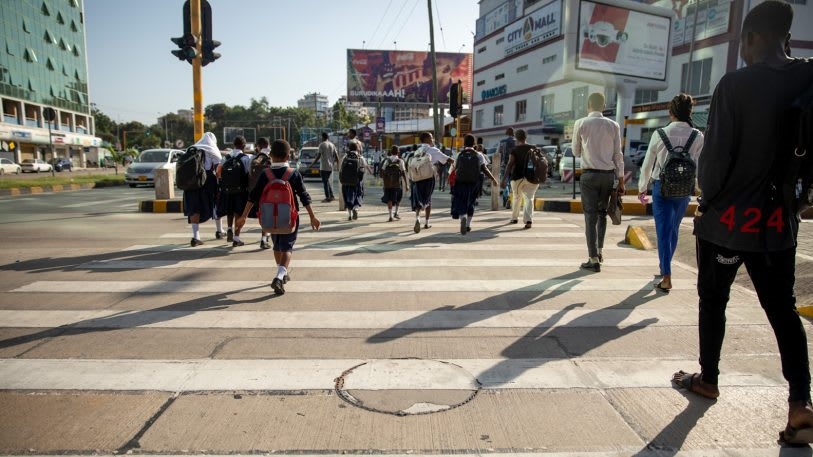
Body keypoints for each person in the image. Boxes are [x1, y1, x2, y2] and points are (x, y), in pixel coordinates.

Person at [671, 1, 813, 444]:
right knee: (783, 311)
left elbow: (714, 163)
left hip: (728, 222)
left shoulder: (735, 85)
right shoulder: (809, 78)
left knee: (713, 300)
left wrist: (705, 199)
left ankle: (708, 378)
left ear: (751, 38)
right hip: (778, 225)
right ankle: (800, 405)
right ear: (787, 38)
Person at [236, 139, 320, 295]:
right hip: (289, 217)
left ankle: (281, 272)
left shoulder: (265, 174)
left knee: (276, 246)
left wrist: (243, 216)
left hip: (269, 217)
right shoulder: (293, 173)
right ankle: (280, 276)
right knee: (287, 247)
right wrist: (312, 216)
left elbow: (252, 196)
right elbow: (304, 196)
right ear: (288, 156)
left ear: (271, 156)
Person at [638, 94, 704, 291]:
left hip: (662, 188)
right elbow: (701, 165)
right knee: (673, 230)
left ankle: (666, 275)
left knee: (663, 231)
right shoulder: (698, 136)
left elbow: (648, 164)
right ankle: (664, 266)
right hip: (684, 189)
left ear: (671, 112)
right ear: (689, 112)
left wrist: (642, 189)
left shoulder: (660, 134)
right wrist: (702, 188)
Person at [572, 92, 625, 272]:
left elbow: (576, 152)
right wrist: (621, 179)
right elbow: (618, 155)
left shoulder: (580, 123)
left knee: (590, 216)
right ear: (603, 107)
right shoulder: (614, 125)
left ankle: (592, 258)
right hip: (608, 176)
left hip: (589, 176)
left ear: (588, 105)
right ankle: (600, 252)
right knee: (602, 214)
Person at [452, 134, 498, 235]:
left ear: (464, 143)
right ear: (474, 143)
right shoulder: (479, 155)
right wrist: (493, 179)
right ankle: (468, 225)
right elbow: (484, 168)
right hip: (474, 182)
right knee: (471, 202)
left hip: (461, 182)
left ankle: (462, 217)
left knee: (461, 201)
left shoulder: (459, 154)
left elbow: (454, 169)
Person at [183, 132, 223, 247]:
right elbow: (217, 168)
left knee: (194, 208)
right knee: (215, 204)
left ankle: (196, 237)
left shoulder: (191, 149)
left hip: (191, 183)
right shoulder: (212, 150)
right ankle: (219, 231)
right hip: (207, 181)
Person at [409, 131, 453, 233]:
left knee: (419, 199)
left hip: (417, 178)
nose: (432, 139)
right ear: (427, 139)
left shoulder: (418, 150)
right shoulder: (433, 150)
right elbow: (446, 159)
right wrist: (455, 162)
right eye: (431, 138)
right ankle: (427, 223)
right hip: (429, 178)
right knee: (428, 199)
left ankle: (417, 218)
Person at [216, 135, 254, 247]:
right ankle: (236, 238)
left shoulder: (226, 157)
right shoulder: (245, 158)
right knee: (238, 212)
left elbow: (218, 173)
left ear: (234, 145)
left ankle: (228, 229)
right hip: (240, 190)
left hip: (226, 190)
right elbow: (249, 174)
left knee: (230, 211)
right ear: (243, 146)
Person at [502, 129, 541, 229]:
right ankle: (528, 220)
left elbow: (510, 164)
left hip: (517, 178)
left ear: (516, 138)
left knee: (516, 197)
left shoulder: (515, 150)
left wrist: (504, 179)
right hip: (532, 178)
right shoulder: (534, 148)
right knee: (529, 198)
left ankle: (514, 218)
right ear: (526, 137)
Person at [340, 142, 372, 221]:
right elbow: (365, 167)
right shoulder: (360, 157)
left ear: (349, 148)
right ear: (357, 148)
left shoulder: (345, 157)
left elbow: (341, 169)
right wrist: (371, 172)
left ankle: (350, 215)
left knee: (348, 197)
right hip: (357, 181)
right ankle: (356, 208)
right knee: (358, 195)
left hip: (346, 181)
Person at [380, 145, 408, 222]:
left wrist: (385, 182)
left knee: (389, 199)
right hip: (397, 184)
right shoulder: (400, 161)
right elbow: (403, 173)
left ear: (391, 152)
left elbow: (382, 172)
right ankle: (396, 212)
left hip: (388, 184)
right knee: (398, 198)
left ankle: (390, 216)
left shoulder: (387, 161)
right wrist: (407, 184)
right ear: (398, 152)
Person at [311, 132, 340, 202]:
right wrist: (338, 165)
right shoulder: (332, 145)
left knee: (325, 183)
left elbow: (318, 156)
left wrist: (313, 164)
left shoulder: (322, 145)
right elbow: (336, 156)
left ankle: (327, 197)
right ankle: (332, 196)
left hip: (324, 167)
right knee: (327, 182)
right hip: (330, 167)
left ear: (323, 137)